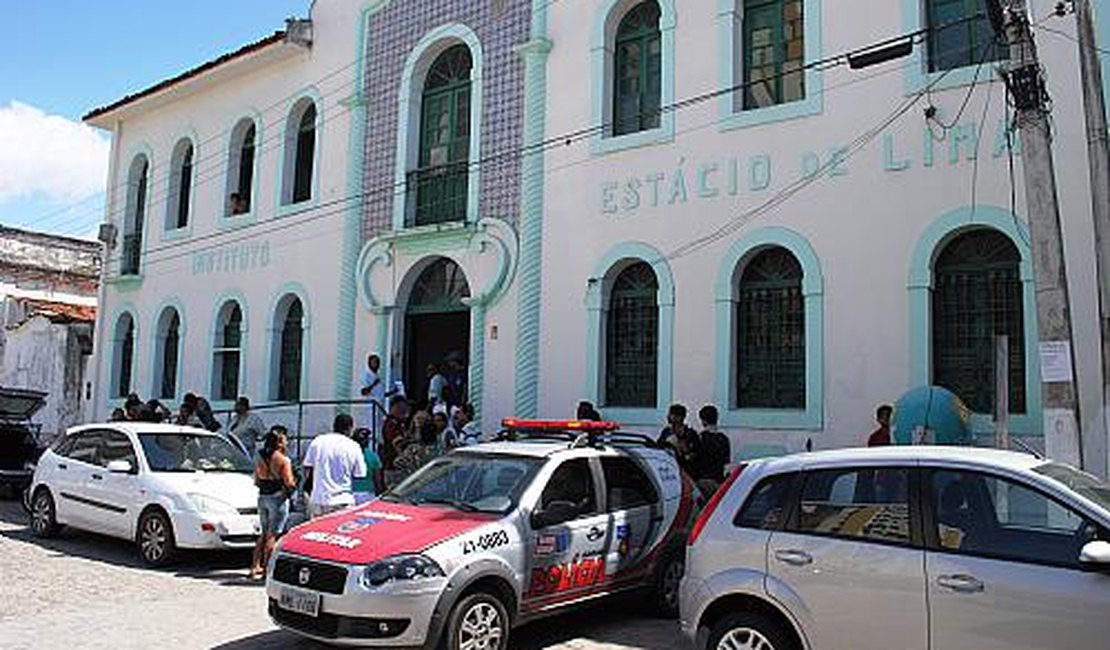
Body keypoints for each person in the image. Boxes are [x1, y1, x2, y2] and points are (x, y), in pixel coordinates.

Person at [250, 428, 296, 580]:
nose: (287, 442)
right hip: (277, 498)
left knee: (263, 533)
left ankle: (254, 566)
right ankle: (266, 571)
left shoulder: (259, 457)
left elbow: (256, 480)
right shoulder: (283, 460)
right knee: (273, 536)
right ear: (279, 443)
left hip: (262, 496)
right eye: (284, 440)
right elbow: (289, 483)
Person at [302, 414, 367, 519]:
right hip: (343, 500)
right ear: (350, 428)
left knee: (318, 532)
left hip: (319, 499)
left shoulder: (318, 441)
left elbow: (307, 467)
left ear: (334, 426)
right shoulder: (354, 446)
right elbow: (360, 474)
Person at [695, 405, 731, 497]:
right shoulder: (724, 439)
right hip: (718, 480)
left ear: (703, 420)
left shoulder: (700, 438)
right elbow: (726, 463)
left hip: (702, 480)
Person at [394, 414, 443, 481]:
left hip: (419, 482)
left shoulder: (414, 449)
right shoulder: (441, 449)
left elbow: (398, 463)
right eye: (418, 419)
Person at [658, 403, 700, 477]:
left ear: (680, 417)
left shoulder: (690, 434)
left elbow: (695, 454)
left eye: (672, 415)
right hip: (668, 469)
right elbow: (658, 447)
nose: (669, 417)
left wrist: (682, 447)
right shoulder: (666, 432)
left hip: (685, 471)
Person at [350, 428, 384, 505]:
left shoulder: (347, 456)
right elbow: (378, 480)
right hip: (368, 495)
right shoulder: (373, 456)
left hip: (350, 494)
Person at [360, 354, 386, 438]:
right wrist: (374, 384)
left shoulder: (378, 376)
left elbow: (381, 393)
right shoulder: (366, 375)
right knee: (371, 427)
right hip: (370, 407)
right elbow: (364, 391)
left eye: (378, 362)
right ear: (369, 363)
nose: (377, 364)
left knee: (378, 428)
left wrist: (394, 391)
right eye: (374, 362)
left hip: (379, 405)